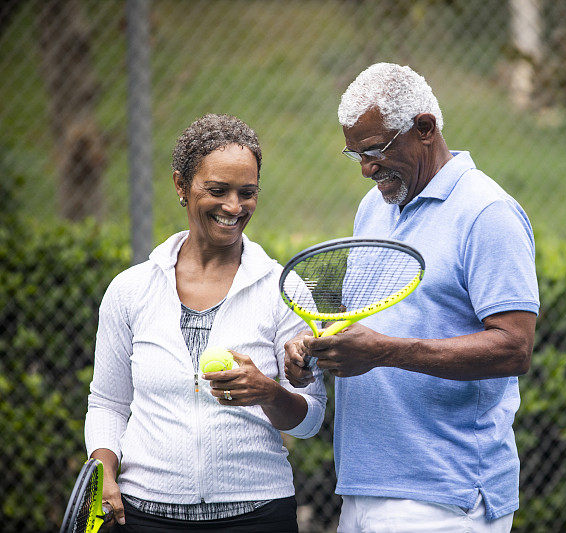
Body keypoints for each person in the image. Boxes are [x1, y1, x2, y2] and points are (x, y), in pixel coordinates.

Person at [285, 63, 539, 532]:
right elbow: (375, 321)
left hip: (445, 497)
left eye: (376, 150)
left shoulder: (487, 213)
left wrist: (385, 352)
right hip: (361, 487)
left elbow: (514, 347)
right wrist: (317, 346)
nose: (365, 169)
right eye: (354, 154)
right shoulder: (375, 209)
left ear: (424, 128)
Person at [86, 113, 326, 533]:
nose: (234, 207)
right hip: (145, 513)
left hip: (257, 512)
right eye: (218, 190)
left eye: (247, 193)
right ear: (182, 185)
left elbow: (310, 420)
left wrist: (268, 392)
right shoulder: (132, 289)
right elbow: (108, 403)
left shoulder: (283, 291)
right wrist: (103, 468)